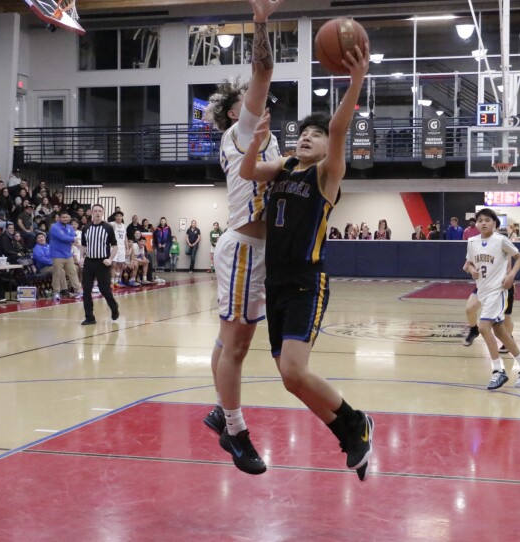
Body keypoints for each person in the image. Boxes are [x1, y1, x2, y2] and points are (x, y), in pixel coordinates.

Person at [240, 42, 374, 480]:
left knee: (295, 370)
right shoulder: (282, 168)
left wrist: (354, 84)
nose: (306, 136)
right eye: (302, 132)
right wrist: (256, 145)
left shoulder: (326, 174)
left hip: (305, 280)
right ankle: (347, 430)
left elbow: (338, 131)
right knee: (290, 378)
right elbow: (246, 174)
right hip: (275, 282)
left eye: (313, 134)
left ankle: (355, 422)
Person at [199, 0, 285, 477]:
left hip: (259, 251)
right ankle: (234, 430)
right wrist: (260, 22)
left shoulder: (268, 140)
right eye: (252, 98)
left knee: (228, 338)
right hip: (243, 249)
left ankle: (218, 409)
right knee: (237, 346)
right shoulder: (242, 130)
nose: (262, 101)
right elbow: (264, 68)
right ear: (236, 111)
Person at [463, 208, 520, 390]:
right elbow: (467, 264)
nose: (483, 223)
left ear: (495, 223)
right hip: (483, 291)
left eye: (487, 220)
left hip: (498, 291)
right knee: (500, 332)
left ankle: (498, 371)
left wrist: (511, 274)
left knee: (483, 327)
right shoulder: (472, 242)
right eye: (480, 220)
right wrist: (471, 270)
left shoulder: (501, 240)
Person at [79, 203, 120, 325]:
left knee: (104, 290)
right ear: (91, 213)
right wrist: (81, 257)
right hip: (89, 262)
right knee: (86, 290)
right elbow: (83, 245)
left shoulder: (108, 228)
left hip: (102, 263)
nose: (97, 213)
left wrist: (110, 259)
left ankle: (114, 307)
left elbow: (115, 246)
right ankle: (89, 317)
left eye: (99, 211)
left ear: (102, 213)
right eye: (95, 211)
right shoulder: (86, 228)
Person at [49, 210, 82, 301]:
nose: (65, 219)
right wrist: (72, 238)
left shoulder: (70, 227)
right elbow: (63, 238)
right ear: (59, 218)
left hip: (68, 254)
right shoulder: (54, 227)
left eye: (67, 217)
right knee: (57, 274)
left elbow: (70, 238)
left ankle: (78, 291)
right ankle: (56, 292)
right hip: (57, 255)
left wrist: (71, 238)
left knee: (73, 273)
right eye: (63, 217)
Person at [110, 212, 129, 288]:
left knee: (120, 265)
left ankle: (117, 281)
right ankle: (112, 281)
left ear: (122, 217)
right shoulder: (112, 224)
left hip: (122, 247)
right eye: (117, 216)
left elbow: (125, 237)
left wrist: (127, 248)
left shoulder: (124, 226)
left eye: (120, 216)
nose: (119, 217)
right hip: (114, 247)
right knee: (113, 264)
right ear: (115, 217)